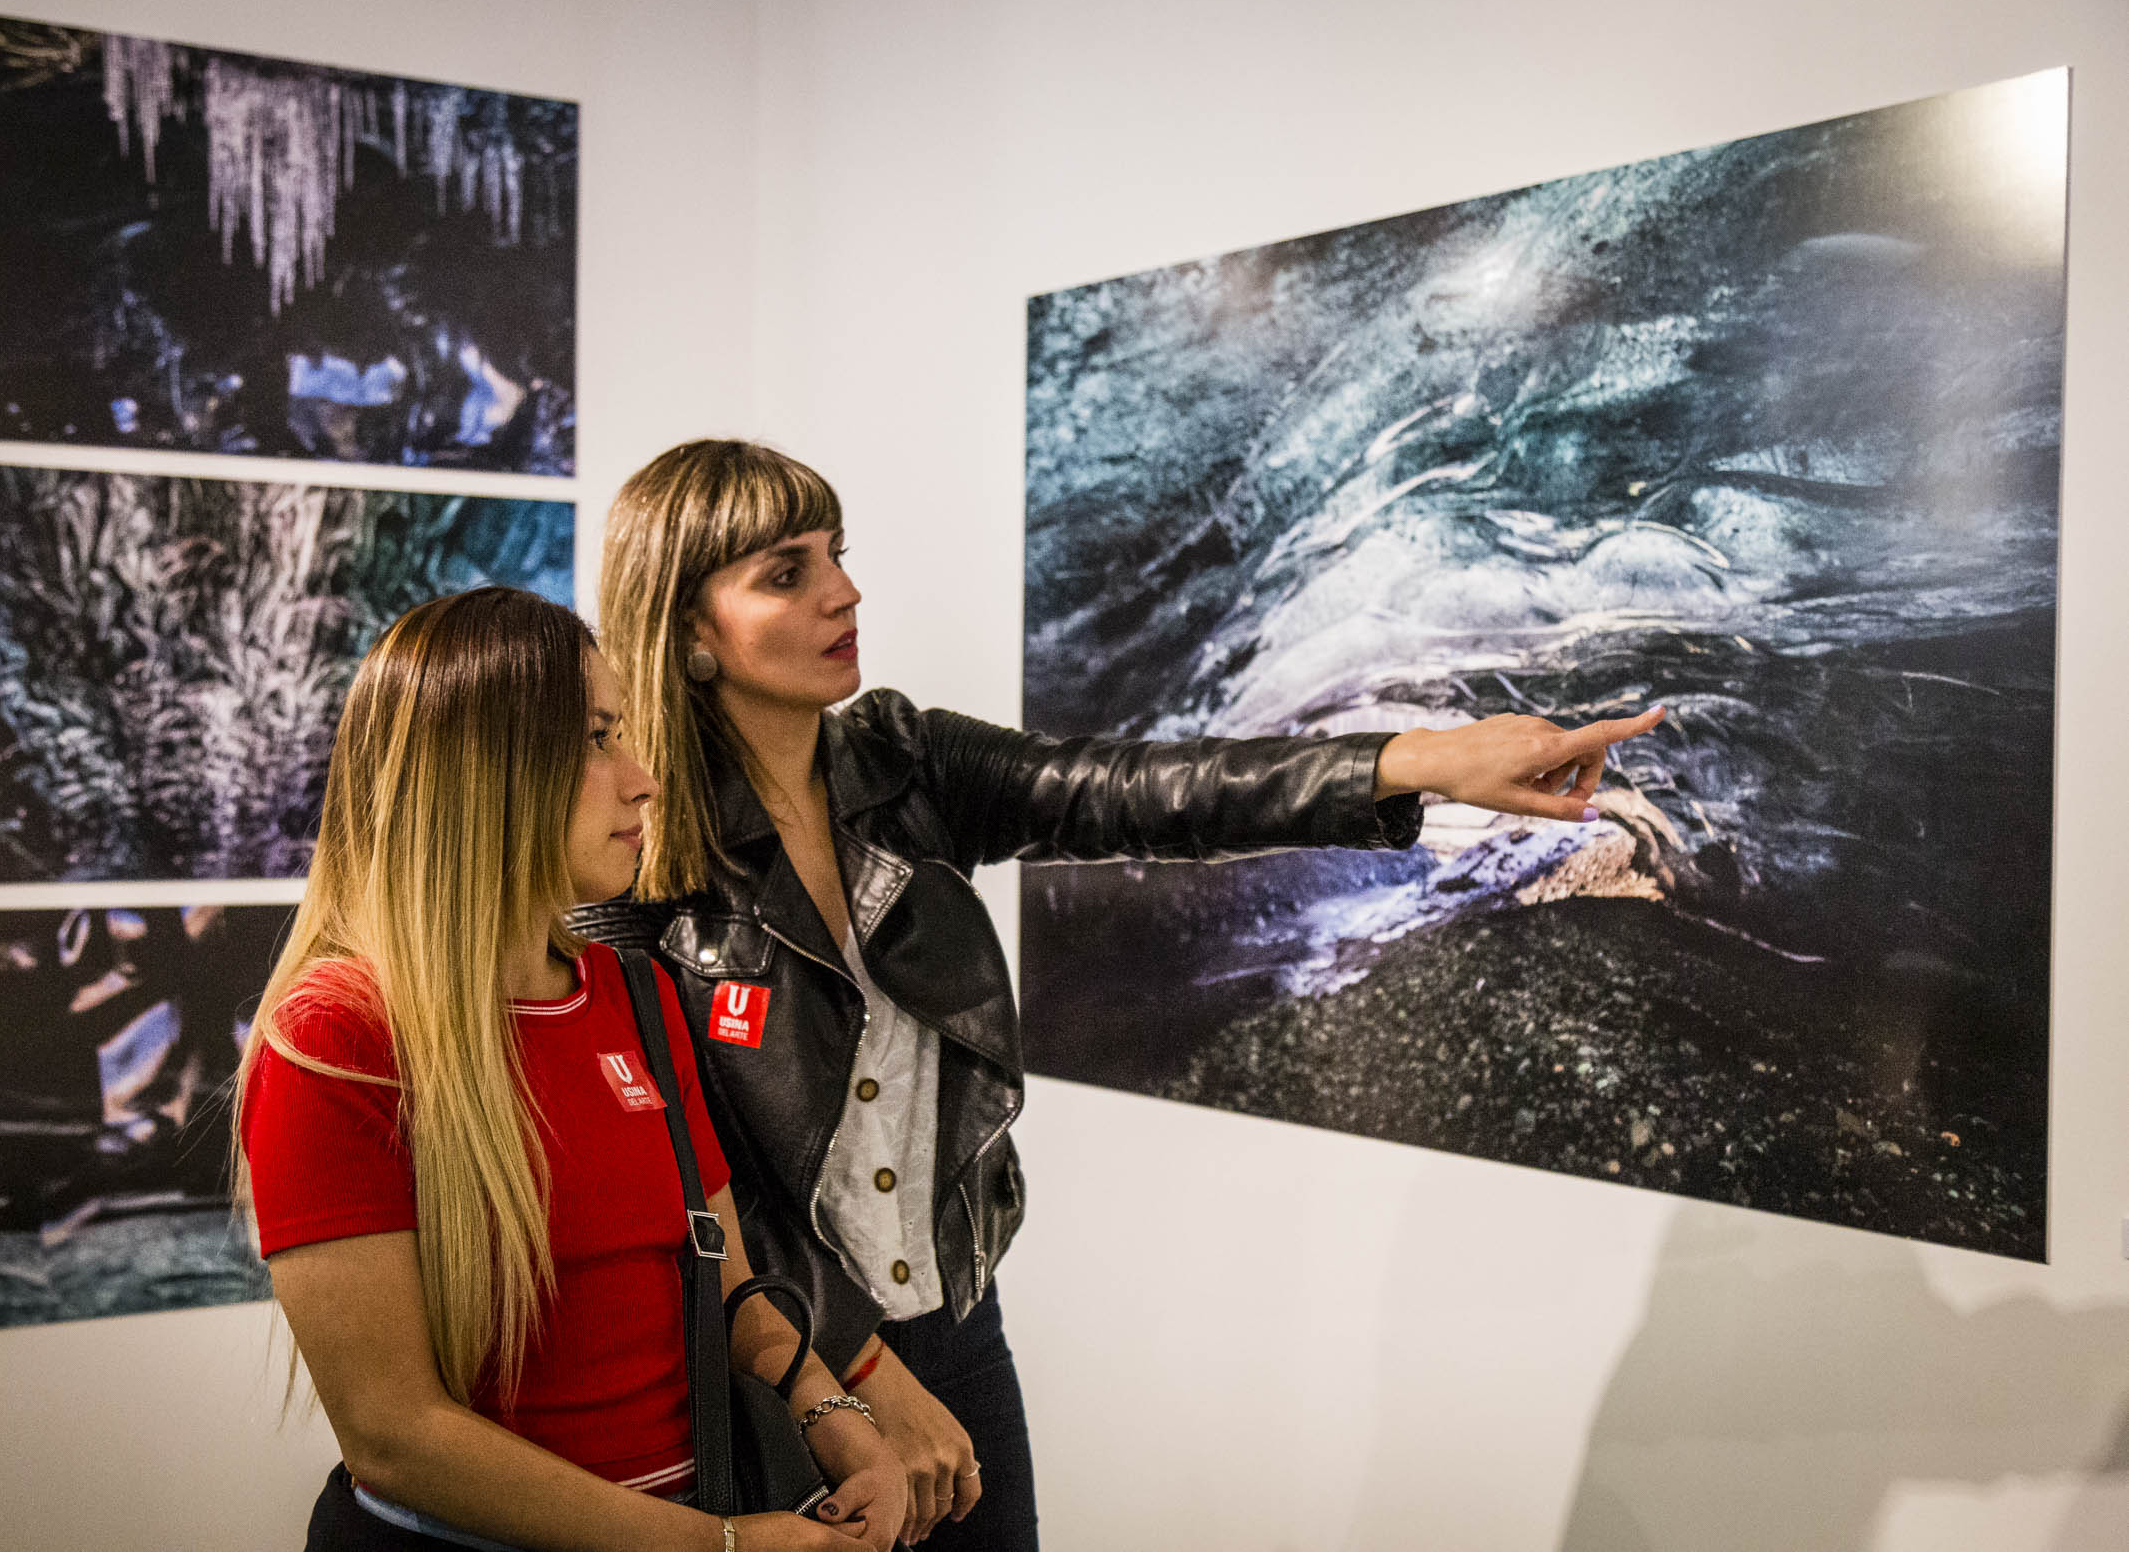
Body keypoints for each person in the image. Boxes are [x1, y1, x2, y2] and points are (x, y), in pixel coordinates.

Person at [575, 439, 1667, 1549]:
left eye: (836, 555)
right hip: (773, 1364)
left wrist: (1411, 763)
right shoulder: (631, 861)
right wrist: (850, 1368)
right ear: (690, 630)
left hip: (956, 1328)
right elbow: (674, 1175)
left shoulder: (901, 764)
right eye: (785, 572)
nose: (843, 591)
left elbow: (1138, 791)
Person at [234, 587, 910, 1552]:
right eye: (597, 738)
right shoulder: (338, 1038)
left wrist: (837, 1419)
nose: (641, 779)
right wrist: (722, 1547)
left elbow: (728, 1290)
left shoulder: (632, 994)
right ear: (480, 771)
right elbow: (395, 1436)